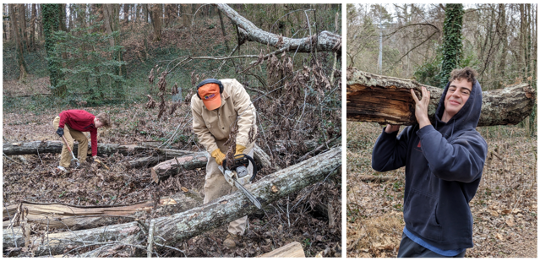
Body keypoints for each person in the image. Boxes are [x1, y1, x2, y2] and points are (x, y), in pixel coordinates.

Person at [372, 67, 488, 257]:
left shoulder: (473, 142)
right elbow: (381, 162)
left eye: (464, 91)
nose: (456, 94)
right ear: (444, 94)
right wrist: (392, 126)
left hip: (445, 244)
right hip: (412, 232)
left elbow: (443, 163)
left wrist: (424, 121)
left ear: (473, 102)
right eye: (452, 88)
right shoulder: (420, 130)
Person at [191, 78, 257, 249]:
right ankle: (205, 222)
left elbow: (247, 115)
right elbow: (200, 129)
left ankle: (235, 232)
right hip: (218, 142)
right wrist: (216, 153)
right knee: (213, 180)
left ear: (221, 92)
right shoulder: (196, 103)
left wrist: (240, 148)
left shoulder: (234, 88)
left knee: (242, 182)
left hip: (242, 137)